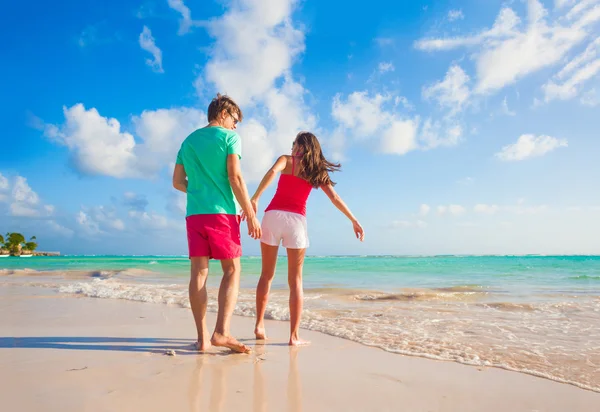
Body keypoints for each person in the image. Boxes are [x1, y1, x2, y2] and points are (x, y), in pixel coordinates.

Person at [248, 131, 365, 346]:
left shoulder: (286, 160)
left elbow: (272, 172)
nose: (292, 147)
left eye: (295, 144)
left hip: (272, 217)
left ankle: (259, 325)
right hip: (296, 223)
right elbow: (335, 198)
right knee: (296, 281)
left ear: (302, 146)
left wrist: (255, 197)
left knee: (266, 275)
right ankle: (293, 336)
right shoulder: (316, 171)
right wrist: (354, 220)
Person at [172, 93, 261, 353]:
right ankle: (221, 333)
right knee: (232, 270)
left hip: (195, 214)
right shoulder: (230, 138)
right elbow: (235, 178)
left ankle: (202, 340)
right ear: (223, 113)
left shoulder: (188, 141)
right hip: (222, 214)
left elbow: (177, 182)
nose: (236, 125)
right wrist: (251, 213)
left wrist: (200, 191)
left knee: (198, 273)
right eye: (235, 119)